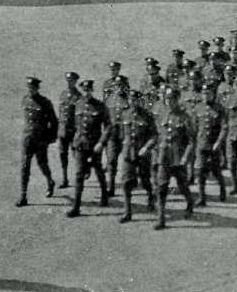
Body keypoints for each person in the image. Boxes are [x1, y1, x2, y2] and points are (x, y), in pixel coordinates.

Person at [152, 87, 196, 229]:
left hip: (178, 158)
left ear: (177, 100)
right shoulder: (161, 114)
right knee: (161, 187)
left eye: (172, 99)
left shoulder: (185, 117)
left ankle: (190, 202)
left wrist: (185, 158)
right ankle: (161, 218)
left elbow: (190, 141)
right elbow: (157, 135)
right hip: (163, 156)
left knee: (182, 186)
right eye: (167, 99)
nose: (169, 102)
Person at [67, 80, 112, 215]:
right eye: (84, 90)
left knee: (98, 170)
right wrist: (72, 143)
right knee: (79, 174)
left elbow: (109, 126)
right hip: (80, 144)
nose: (87, 93)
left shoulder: (100, 106)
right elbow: (70, 125)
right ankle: (76, 207)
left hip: (94, 145)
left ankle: (104, 194)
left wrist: (102, 143)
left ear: (92, 90)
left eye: (89, 90)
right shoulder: (76, 105)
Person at [115, 89, 158, 223]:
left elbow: (154, 135)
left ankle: (151, 196)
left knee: (145, 180)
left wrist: (146, 147)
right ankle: (127, 212)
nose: (133, 102)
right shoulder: (124, 114)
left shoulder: (147, 115)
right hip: (129, 152)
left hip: (143, 153)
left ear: (140, 101)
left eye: (135, 100)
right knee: (126, 182)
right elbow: (121, 134)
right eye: (131, 100)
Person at [18, 76, 58, 206]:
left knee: (42, 164)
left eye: (33, 88)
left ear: (37, 88)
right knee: (25, 166)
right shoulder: (25, 100)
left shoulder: (45, 102)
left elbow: (54, 122)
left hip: (40, 139)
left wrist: (50, 138)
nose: (31, 90)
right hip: (27, 138)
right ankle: (23, 195)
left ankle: (50, 181)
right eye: (29, 88)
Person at [193, 82, 228, 205]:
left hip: (213, 145)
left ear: (213, 94)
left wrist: (219, 142)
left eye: (208, 93)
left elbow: (224, 127)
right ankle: (201, 198)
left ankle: (222, 190)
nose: (206, 96)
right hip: (201, 144)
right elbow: (194, 127)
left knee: (216, 170)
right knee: (200, 171)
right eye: (204, 93)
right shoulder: (197, 108)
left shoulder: (219, 108)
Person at [56, 72, 82, 188]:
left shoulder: (78, 96)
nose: (69, 82)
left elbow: (79, 116)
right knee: (62, 154)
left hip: (73, 129)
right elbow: (60, 112)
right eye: (68, 80)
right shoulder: (62, 94)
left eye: (71, 80)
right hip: (62, 129)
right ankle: (64, 178)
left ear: (75, 81)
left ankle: (79, 176)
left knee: (76, 154)